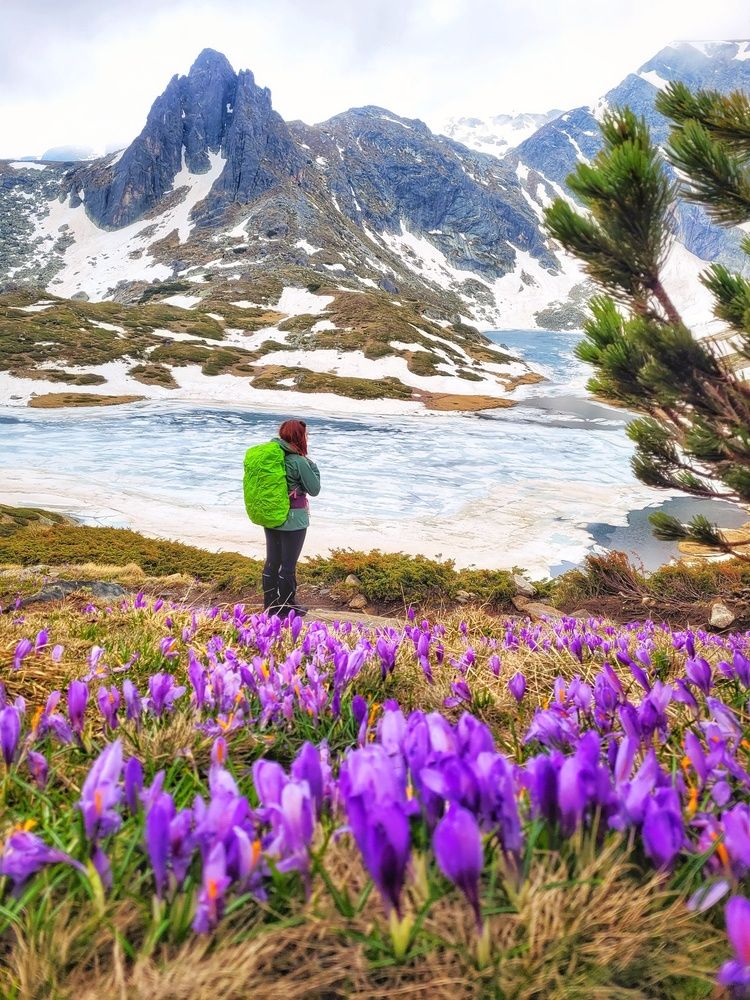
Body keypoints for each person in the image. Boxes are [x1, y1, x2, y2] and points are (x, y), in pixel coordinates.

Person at [262, 419, 320, 616]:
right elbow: (315, 489)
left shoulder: (272, 457)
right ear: (299, 437)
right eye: (305, 435)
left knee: (272, 562)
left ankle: (270, 605)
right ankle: (287, 607)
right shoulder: (299, 461)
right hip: (293, 520)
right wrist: (311, 465)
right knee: (288, 566)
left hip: (271, 515)